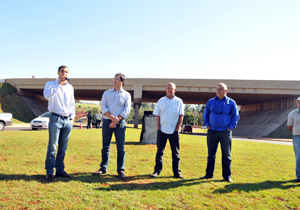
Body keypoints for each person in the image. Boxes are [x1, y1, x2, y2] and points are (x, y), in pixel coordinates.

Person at [92, 73, 131, 179]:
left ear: (122, 82)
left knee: (120, 148)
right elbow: (103, 107)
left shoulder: (126, 95)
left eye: (117, 79)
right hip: (106, 122)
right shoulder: (107, 93)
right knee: (105, 147)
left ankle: (120, 169)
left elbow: (127, 110)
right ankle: (103, 168)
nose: (114, 81)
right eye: (114, 79)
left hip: (120, 123)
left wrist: (116, 120)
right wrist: (112, 118)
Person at [200, 83, 239, 183]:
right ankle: (208, 174)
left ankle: (227, 176)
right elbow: (206, 115)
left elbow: (235, 116)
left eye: (220, 89)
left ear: (225, 91)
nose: (218, 91)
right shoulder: (210, 102)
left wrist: (230, 128)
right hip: (212, 131)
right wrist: (207, 125)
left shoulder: (231, 103)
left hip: (225, 132)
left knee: (226, 155)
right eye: (217, 89)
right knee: (211, 154)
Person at [43, 65, 75, 182]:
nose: (64, 74)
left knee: (63, 147)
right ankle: (50, 172)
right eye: (62, 71)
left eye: (66, 72)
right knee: (52, 146)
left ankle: (60, 170)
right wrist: (58, 85)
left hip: (67, 120)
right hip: (55, 118)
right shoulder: (50, 84)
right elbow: (47, 96)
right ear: (58, 72)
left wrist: (72, 117)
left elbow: (72, 103)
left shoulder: (70, 87)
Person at [150, 82, 184, 179]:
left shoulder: (179, 101)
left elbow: (181, 116)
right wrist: (158, 129)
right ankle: (157, 170)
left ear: (175, 90)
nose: (169, 89)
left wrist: (177, 129)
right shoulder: (161, 101)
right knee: (159, 152)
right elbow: (158, 115)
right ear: (165, 89)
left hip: (174, 131)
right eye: (168, 88)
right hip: (162, 130)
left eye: (171, 88)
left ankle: (177, 172)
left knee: (176, 153)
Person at [287, 96, 300, 183]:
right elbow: (290, 126)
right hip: (297, 138)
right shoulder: (293, 113)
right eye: (298, 102)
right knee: (298, 158)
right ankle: (299, 177)